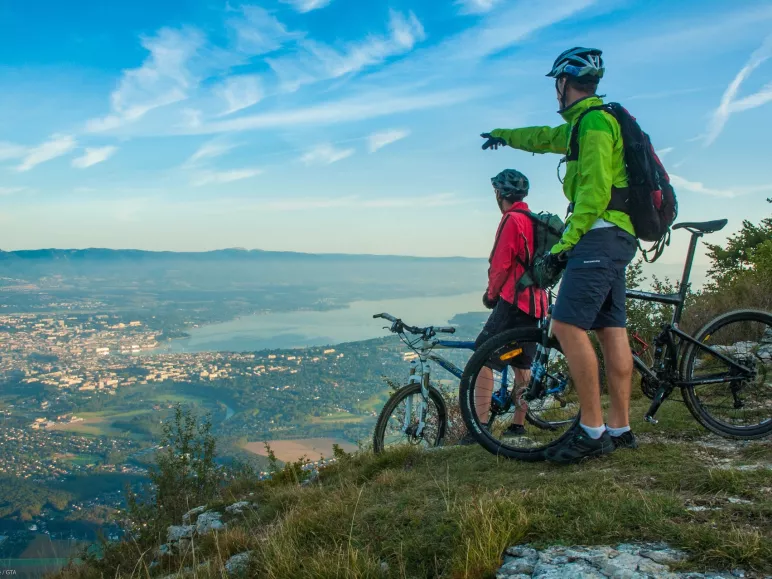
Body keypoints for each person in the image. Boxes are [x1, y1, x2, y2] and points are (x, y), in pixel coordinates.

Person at [480, 47, 639, 463]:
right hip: (614, 237)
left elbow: (594, 191)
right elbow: (540, 137)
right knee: (611, 330)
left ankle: (591, 431)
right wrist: (504, 134)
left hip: (598, 236)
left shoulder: (594, 125)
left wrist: (568, 244)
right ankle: (619, 428)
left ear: (564, 84)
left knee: (567, 325)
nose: (556, 90)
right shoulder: (583, 124)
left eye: (557, 83)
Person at [460, 169, 547, 445]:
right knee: (523, 361)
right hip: (537, 304)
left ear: (500, 194)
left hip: (514, 301)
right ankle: (517, 426)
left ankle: (479, 427)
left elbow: (500, 264)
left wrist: (490, 295)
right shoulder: (534, 221)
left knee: (482, 357)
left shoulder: (512, 220)